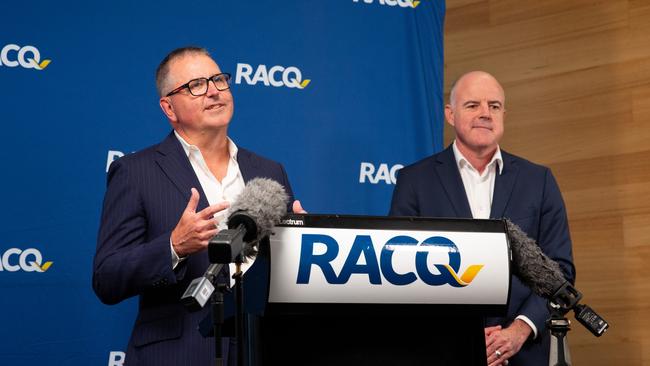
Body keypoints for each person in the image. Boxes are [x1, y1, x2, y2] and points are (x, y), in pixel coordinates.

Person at [93, 46, 304, 366]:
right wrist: (173, 246)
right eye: (196, 86)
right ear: (169, 108)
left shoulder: (269, 171)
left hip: (260, 348)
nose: (214, 92)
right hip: (177, 354)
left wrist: (299, 241)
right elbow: (107, 278)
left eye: (219, 80)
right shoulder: (136, 172)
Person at [389, 71, 575, 366]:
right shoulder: (414, 181)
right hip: (442, 352)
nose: (485, 114)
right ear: (450, 114)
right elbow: (400, 270)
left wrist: (518, 330)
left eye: (495, 106)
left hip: (524, 353)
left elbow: (560, 272)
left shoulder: (538, 180)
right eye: (473, 105)